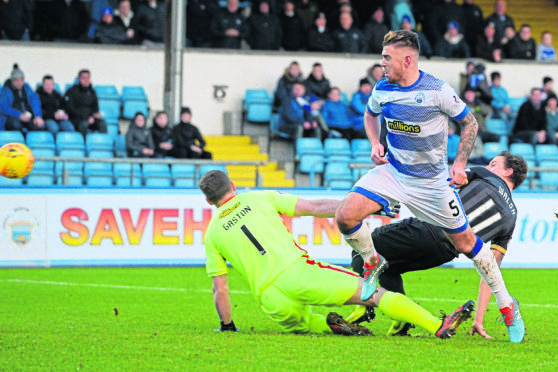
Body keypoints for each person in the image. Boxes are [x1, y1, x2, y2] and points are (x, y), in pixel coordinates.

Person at [334, 30, 525, 344]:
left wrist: (461, 163)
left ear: (407, 59)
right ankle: (371, 262)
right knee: (345, 215)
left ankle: (507, 305)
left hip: (432, 184)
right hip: (394, 172)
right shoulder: (382, 88)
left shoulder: (437, 90)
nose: (382, 63)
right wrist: (373, 143)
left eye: (387, 58)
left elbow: (471, 122)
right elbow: (371, 116)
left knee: (468, 245)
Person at [200, 169, 475, 337]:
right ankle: (435, 324)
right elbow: (315, 206)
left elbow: (219, 288)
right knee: (375, 294)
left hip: (270, 299)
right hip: (299, 274)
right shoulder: (259, 198)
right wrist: (365, 207)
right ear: (233, 186)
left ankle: (329, 326)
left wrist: (227, 326)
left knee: (306, 325)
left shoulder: (212, 234)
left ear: (208, 200)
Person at [347, 151, 528, 342]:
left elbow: (444, 181)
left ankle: (366, 307)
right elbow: (490, 271)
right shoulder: (511, 218)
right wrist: (479, 319)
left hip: (429, 230)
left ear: (507, 171)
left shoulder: (484, 175)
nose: (488, 167)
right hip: (444, 253)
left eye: (493, 164)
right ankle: (402, 319)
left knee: (364, 248)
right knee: (388, 268)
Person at [0, 64, 49, 134]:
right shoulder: (5, 90)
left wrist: (38, 116)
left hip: (27, 117)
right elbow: (3, 107)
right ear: (12, 81)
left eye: (21, 80)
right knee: (16, 125)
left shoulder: (27, 88)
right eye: (16, 80)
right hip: (11, 117)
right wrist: (19, 115)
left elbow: (35, 101)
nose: (19, 83)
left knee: (39, 125)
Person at [64, 69, 108, 137]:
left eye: (88, 78)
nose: (86, 80)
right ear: (79, 79)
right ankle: (83, 144)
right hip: (77, 119)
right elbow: (71, 110)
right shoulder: (71, 91)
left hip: (90, 118)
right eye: (84, 78)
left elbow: (95, 107)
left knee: (102, 123)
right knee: (84, 125)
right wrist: (87, 117)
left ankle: (102, 145)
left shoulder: (92, 92)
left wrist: (96, 115)